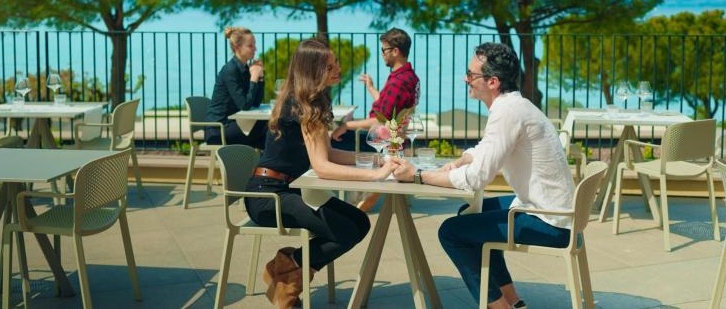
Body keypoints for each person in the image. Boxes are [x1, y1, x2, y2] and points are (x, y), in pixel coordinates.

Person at [391, 42, 575, 309]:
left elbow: (476, 179)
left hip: (551, 222)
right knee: (470, 213)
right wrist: (461, 160)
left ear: (492, 82)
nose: (466, 79)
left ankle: (498, 306)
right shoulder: (513, 106)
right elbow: (487, 149)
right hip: (554, 210)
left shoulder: (507, 112)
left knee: (451, 232)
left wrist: (418, 176)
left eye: (471, 74)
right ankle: (513, 301)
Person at [245, 38, 399, 309]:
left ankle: (284, 266)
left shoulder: (312, 101)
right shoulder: (304, 105)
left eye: (335, 62)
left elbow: (329, 154)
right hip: (268, 194)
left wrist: (375, 160)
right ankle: (287, 283)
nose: (337, 68)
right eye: (329, 66)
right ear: (312, 71)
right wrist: (376, 176)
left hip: (289, 188)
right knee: (346, 230)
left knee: (359, 223)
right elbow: (322, 167)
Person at [331, 28, 420, 210]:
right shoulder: (407, 76)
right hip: (392, 137)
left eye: (384, 50)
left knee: (332, 140)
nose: (382, 54)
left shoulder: (398, 81)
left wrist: (345, 125)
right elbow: (386, 108)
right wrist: (371, 88)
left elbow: (381, 121)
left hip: (384, 140)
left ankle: (349, 200)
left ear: (395, 51)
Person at [205, 27, 267, 149]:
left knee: (272, 130)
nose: (255, 49)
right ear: (236, 47)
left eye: (254, 45)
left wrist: (260, 78)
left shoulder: (244, 68)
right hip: (219, 129)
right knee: (270, 132)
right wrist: (254, 78)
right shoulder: (230, 70)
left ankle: (260, 167)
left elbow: (255, 102)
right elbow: (244, 105)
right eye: (250, 46)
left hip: (235, 124)